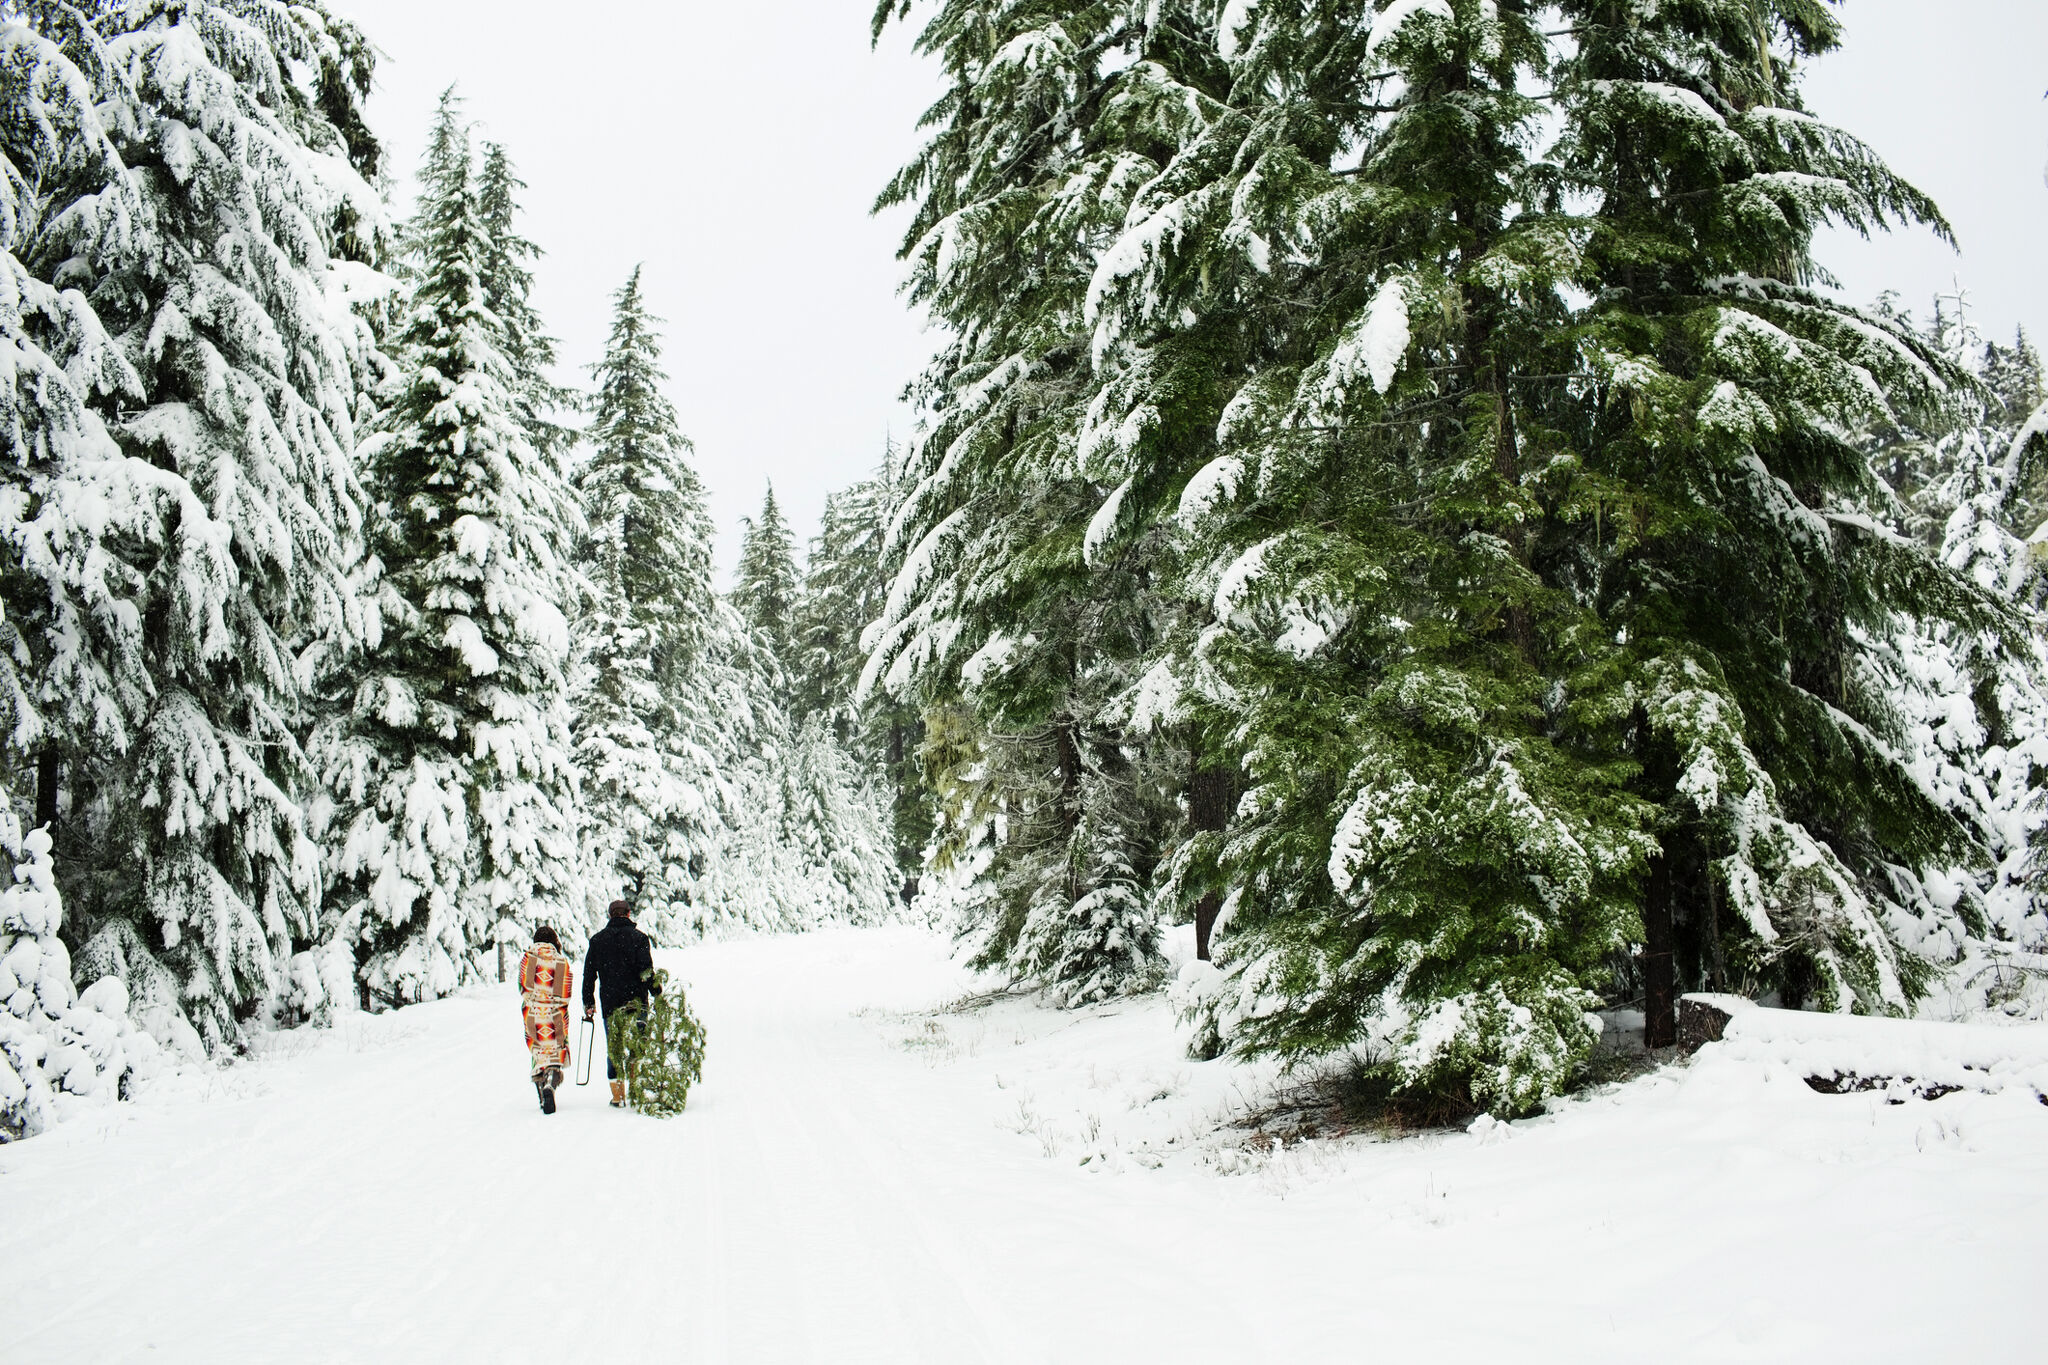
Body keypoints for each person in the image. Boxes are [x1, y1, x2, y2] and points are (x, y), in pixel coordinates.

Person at [583, 898, 663, 1108]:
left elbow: (589, 975)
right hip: (637, 1001)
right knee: (639, 1044)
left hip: (611, 1003)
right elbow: (646, 971)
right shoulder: (639, 938)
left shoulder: (597, 941)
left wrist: (588, 1002)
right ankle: (637, 1088)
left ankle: (618, 1096)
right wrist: (657, 992)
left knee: (614, 1047)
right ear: (628, 914)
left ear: (610, 915)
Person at [518, 926, 574, 1115]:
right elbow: (565, 994)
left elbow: (523, 986)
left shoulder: (528, 958)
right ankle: (551, 1080)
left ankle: (542, 1094)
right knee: (555, 1052)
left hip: (533, 1013)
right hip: (555, 1014)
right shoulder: (561, 961)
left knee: (538, 1052)